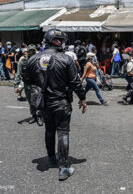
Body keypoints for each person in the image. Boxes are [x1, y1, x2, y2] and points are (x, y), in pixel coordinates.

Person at [24, 29, 87, 181]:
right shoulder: (66, 59)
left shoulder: (32, 59)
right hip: (62, 102)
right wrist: (82, 98)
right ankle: (64, 167)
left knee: (49, 130)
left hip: (45, 104)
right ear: (55, 41)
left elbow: (27, 81)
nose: (62, 43)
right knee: (63, 132)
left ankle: (52, 159)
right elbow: (75, 82)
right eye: (60, 40)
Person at [14, 44, 43, 125]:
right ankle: (34, 116)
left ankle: (39, 116)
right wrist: (16, 85)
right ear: (27, 51)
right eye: (30, 51)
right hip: (27, 84)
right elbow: (18, 73)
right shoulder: (22, 61)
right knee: (31, 102)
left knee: (38, 101)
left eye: (33, 51)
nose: (31, 52)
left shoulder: (39, 60)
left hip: (37, 84)